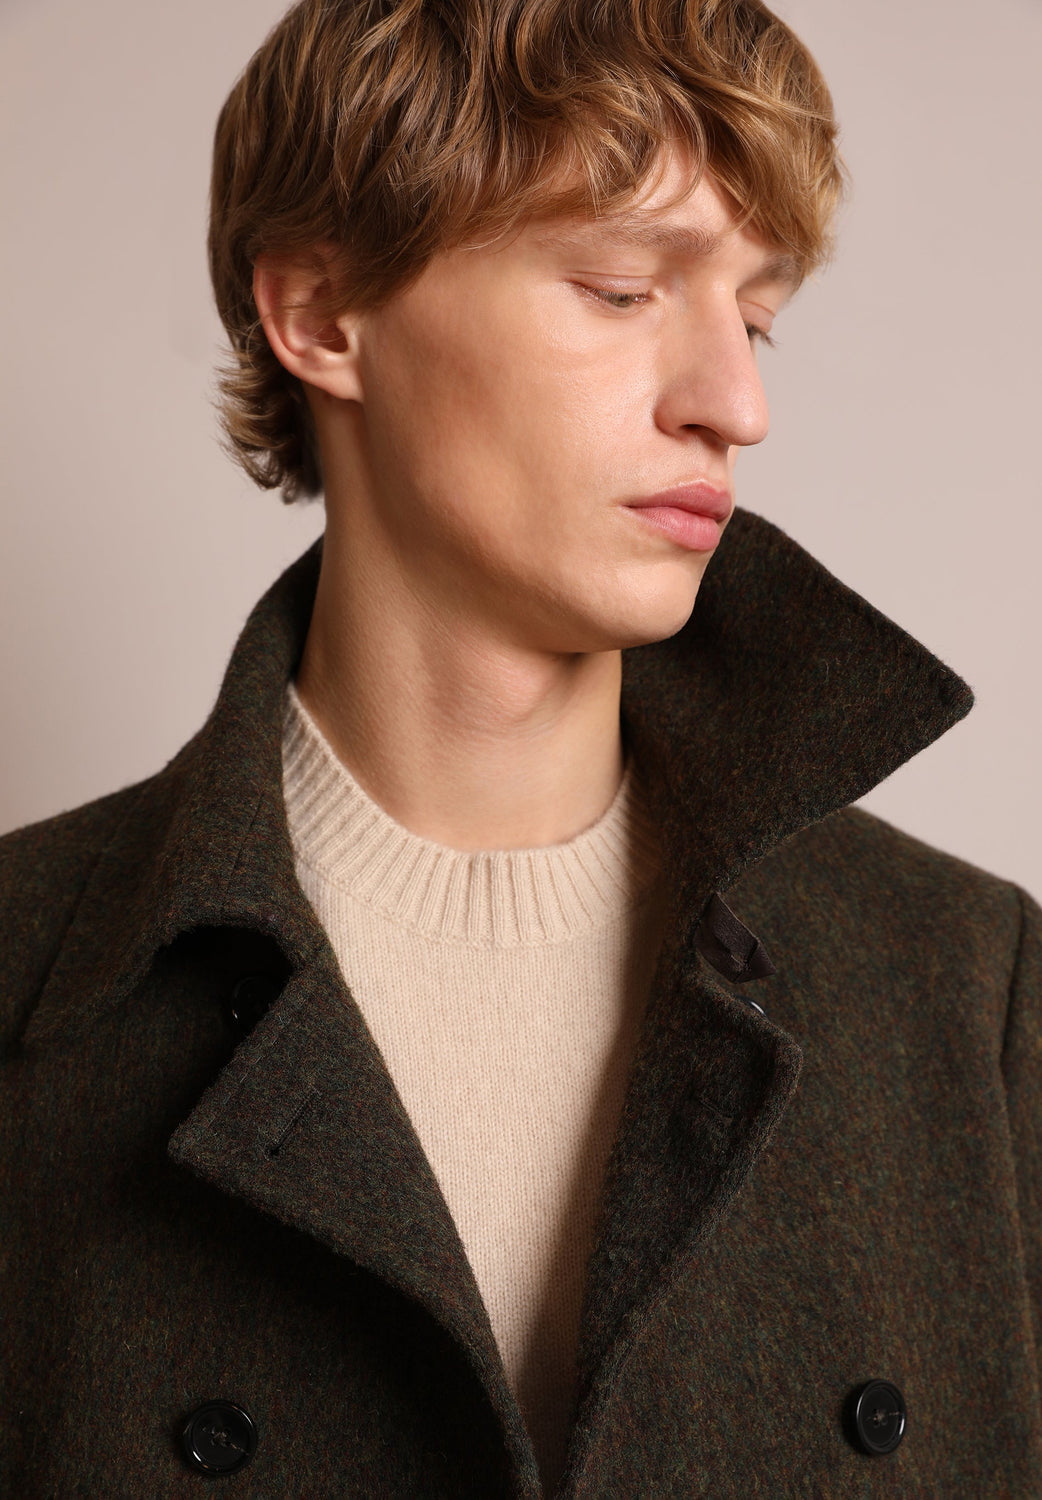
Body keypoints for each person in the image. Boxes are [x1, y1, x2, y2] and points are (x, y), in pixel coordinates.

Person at [2, 0, 1040, 1494]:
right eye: (620, 289)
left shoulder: (963, 985)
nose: (736, 404)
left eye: (754, 318)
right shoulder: (28, 988)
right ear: (323, 316)